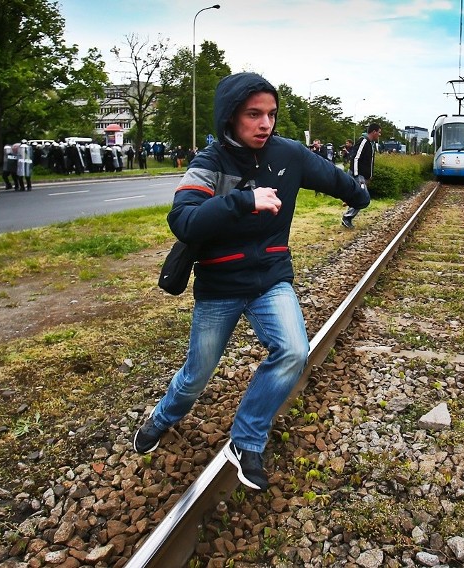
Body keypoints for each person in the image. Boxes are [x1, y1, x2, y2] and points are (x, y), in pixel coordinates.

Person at [131, 72, 370, 491]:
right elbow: (184, 220)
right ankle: (164, 416)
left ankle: (246, 440)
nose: (265, 124)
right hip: (220, 285)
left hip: (269, 280)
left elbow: (334, 179)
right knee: (196, 377)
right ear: (230, 117)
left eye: (272, 114)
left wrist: (359, 193)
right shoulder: (209, 163)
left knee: (295, 351)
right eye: (253, 114)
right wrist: (243, 200)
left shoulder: (290, 155)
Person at [343, 123, 381, 228]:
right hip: (357, 174)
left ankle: (347, 204)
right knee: (363, 197)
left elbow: (370, 162)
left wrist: (369, 176)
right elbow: (355, 158)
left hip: (362, 176)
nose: (379, 134)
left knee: (358, 196)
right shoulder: (363, 141)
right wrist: (357, 175)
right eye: (379, 132)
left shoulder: (370, 144)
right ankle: (347, 217)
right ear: (374, 132)